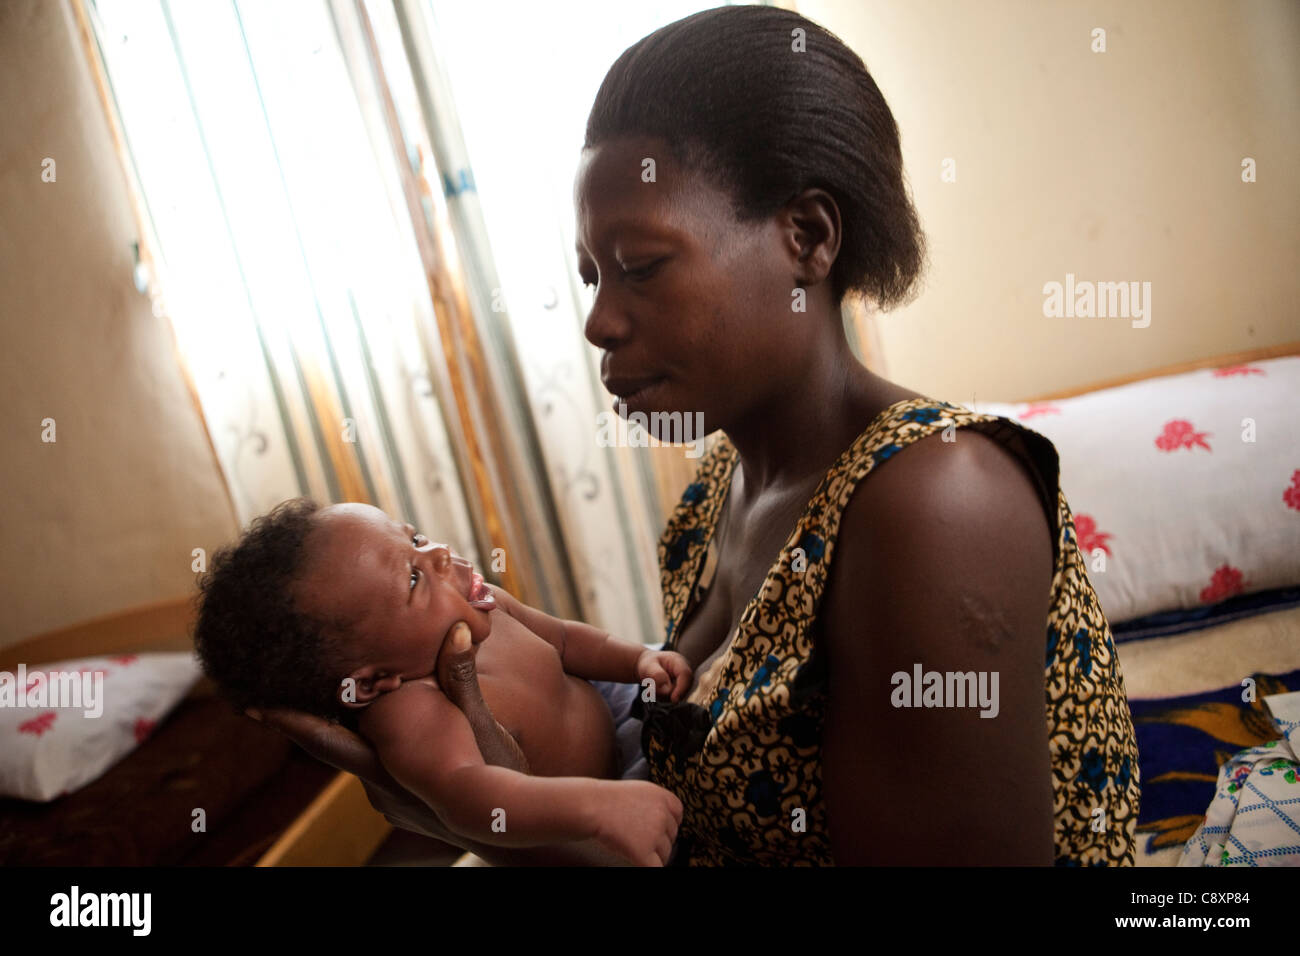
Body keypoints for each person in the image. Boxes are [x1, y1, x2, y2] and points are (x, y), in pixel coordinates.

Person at [251, 4, 1141, 865]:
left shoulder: (937, 501)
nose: (598, 323)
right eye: (592, 276)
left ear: (808, 238)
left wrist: (522, 848)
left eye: (640, 267)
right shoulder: (718, 491)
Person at [194, 499, 688, 865]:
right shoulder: (411, 710)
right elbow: (475, 797)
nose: (438, 555)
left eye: (413, 538)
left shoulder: (479, 602)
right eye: (413, 578)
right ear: (371, 682)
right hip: (586, 813)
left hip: (616, 709)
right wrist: (595, 808)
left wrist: (637, 660)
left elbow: (563, 641)